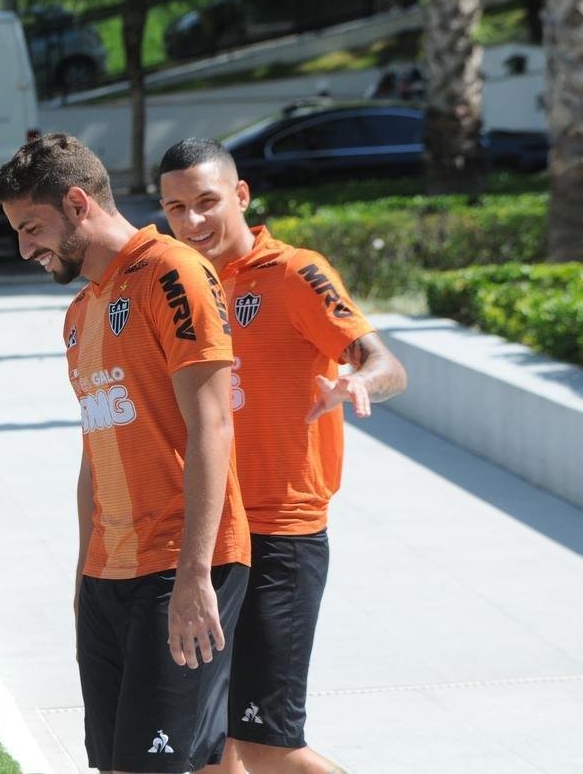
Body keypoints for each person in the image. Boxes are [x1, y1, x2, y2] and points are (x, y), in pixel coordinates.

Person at [0, 133, 252, 773]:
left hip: (181, 570)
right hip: (110, 576)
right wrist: (84, 576)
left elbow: (213, 426)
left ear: (78, 203)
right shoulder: (81, 311)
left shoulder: (173, 271)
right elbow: (95, 453)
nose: (24, 248)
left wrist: (193, 576)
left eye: (32, 228)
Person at [158, 138, 408, 774]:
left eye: (207, 203)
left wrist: (358, 382)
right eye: (175, 209)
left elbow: (386, 365)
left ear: (241, 196)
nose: (192, 223)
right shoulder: (182, 283)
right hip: (209, 538)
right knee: (212, 747)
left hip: (281, 538)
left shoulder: (295, 271)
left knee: (271, 746)